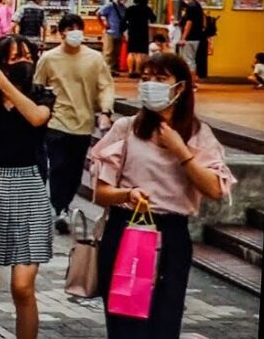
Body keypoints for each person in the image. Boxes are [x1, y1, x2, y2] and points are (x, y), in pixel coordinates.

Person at [89, 53, 233, 338]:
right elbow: (101, 193)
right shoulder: (127, 128)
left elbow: (215, 189)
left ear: (179, 88)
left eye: (160, 78)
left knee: (163, 324)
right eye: (145, 79)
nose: (150, 85)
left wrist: (181, 151)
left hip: (170, 236)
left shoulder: (198, 134)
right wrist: (128, 194)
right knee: (126, 327)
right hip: (127, 231)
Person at [0, 36, 56, 339]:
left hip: (30, 190)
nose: (21, 61)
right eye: (12, 57)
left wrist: (4, 83)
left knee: (22, 286)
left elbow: (36, 118)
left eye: (26, 55)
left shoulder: (42, 96)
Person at [33, 13, 115, 234]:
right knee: (58, 166)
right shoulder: (49, 59)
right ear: (61, 33)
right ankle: (60, 208)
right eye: (69, 28)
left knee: (75, 170)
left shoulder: (95, 59)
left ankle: (65, 204)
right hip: (56, 122)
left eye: (77, 27)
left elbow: (105, 86)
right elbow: (38, 87)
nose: (74, 32)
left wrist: (105, 111)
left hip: (84, 123)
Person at [176, 0, 206, 87]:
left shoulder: (190, 6)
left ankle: (191, 83)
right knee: (192, 60)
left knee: (189, 61)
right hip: (197, 36)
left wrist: (183, 37)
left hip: (190, 37)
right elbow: (203, 20)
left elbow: (189, 23)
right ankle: (192, 81)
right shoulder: (197, 5)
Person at [124, 0, 158, 78]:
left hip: (132, 32)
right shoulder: (147, 9)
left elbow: (124, 20)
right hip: (142, 32)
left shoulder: (130, 9)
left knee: (131, 52)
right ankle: (138, 71)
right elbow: (153, 19)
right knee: (140, 53)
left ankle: (130, 70)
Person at [98, 0, 131, 73]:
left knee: (116, 53)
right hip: (109, 32)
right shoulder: (110, 5)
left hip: (119, 33)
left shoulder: (124, 9)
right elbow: (99, 13)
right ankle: (106, 70)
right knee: (108, 52)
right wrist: (104, 24)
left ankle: (113, 69)